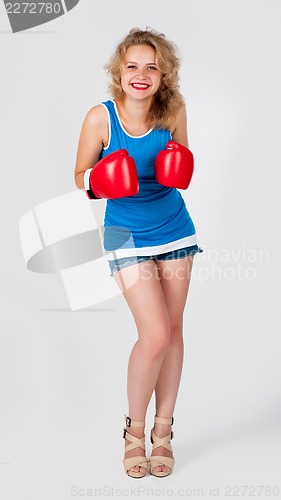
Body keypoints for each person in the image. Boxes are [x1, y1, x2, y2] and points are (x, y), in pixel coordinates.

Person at [74, 27, 203, 478]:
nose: (141, 74)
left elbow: (182, 163)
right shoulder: (101, 118)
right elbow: (79, 175)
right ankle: (133, 432)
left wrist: (180, 162)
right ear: (119, 72)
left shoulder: (174, 110)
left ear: (164, 73)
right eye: (132, 66)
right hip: (124, 234)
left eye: (151, 66)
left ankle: (163, 432)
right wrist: (101, 180)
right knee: (154, 335)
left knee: (173, 330)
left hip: (175, 229)